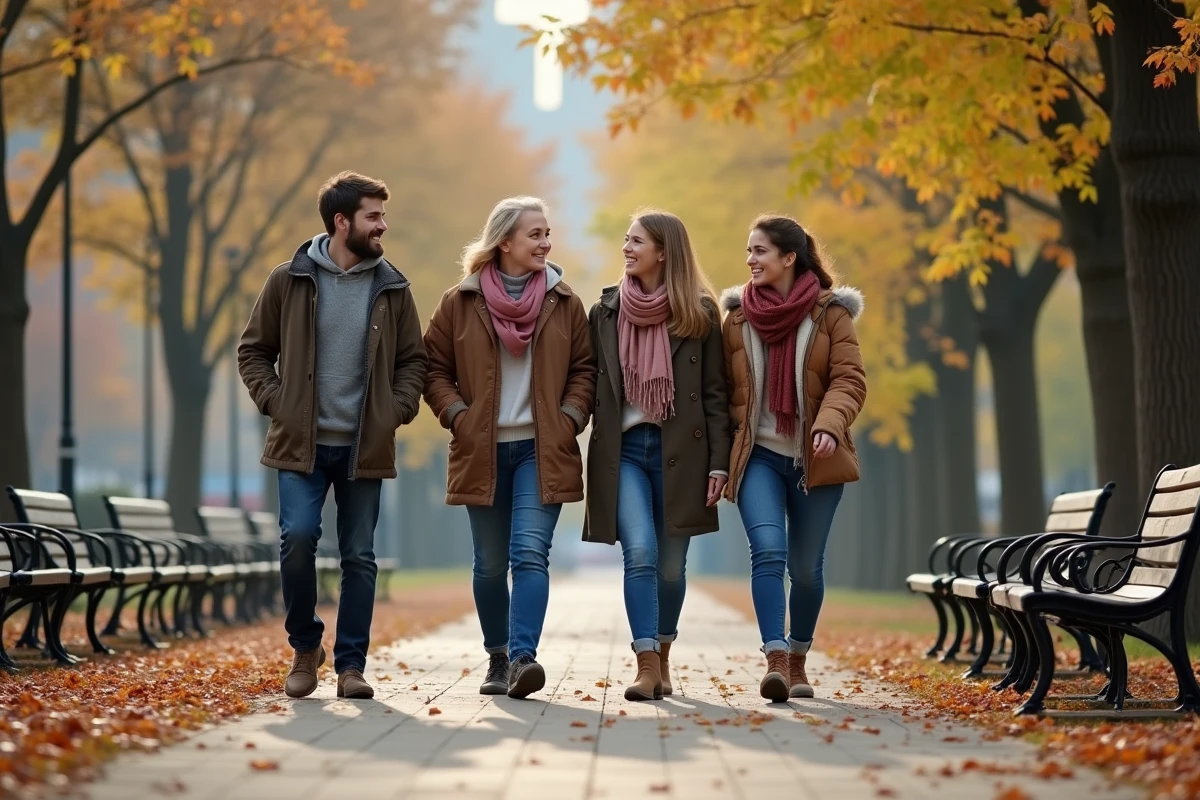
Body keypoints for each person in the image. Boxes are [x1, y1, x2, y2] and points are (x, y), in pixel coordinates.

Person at [238, 171, 428, 700]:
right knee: (297, 539)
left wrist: (396, 409)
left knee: (359, 556)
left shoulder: (392, 285)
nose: (382, 225)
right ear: (341, 222)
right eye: (373, 216)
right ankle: (305, 647)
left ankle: (351, 666)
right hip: (301, 445)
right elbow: (253, 351)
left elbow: (415, 361)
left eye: (382, 216)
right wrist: (278, 403)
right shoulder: (289, 279)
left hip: (363, 444)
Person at [423, 196, 595, 699]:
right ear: (505, 242)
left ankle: (523, 659)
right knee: (489, 564)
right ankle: (496, 657)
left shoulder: (565, 302)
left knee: (529, 554)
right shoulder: (459, 302)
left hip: (543, 451)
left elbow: (586, 371)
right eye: (535, 234)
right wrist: (457, 414)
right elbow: (433, 368)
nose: (546, 242)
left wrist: (569, 418)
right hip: (482, 449)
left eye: (547, 233)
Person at [584, 209, 730, 701]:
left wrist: (719, 462)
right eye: (626, 240)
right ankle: (646, 662)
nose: (627, 248)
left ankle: (664, 653)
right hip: (624, 452)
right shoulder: (604, 311)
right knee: (640, 552)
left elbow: (714, 396)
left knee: (671, 567)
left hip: (681, 454)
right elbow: (590, 384)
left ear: (664, 252)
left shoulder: (701, 314)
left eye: (637, 241)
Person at [720, 214, 867, 702]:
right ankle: (776, 656)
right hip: (757, 455)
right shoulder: (738, 319)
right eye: (748, 251)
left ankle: (800, 656)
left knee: (806, 569)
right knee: (768, 552)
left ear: (789, 257)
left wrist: (829, 423)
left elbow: (849, 379)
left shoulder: (831, 316)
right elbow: (722, 396)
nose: (750, 260)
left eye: (759, 251)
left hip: (814, 459)